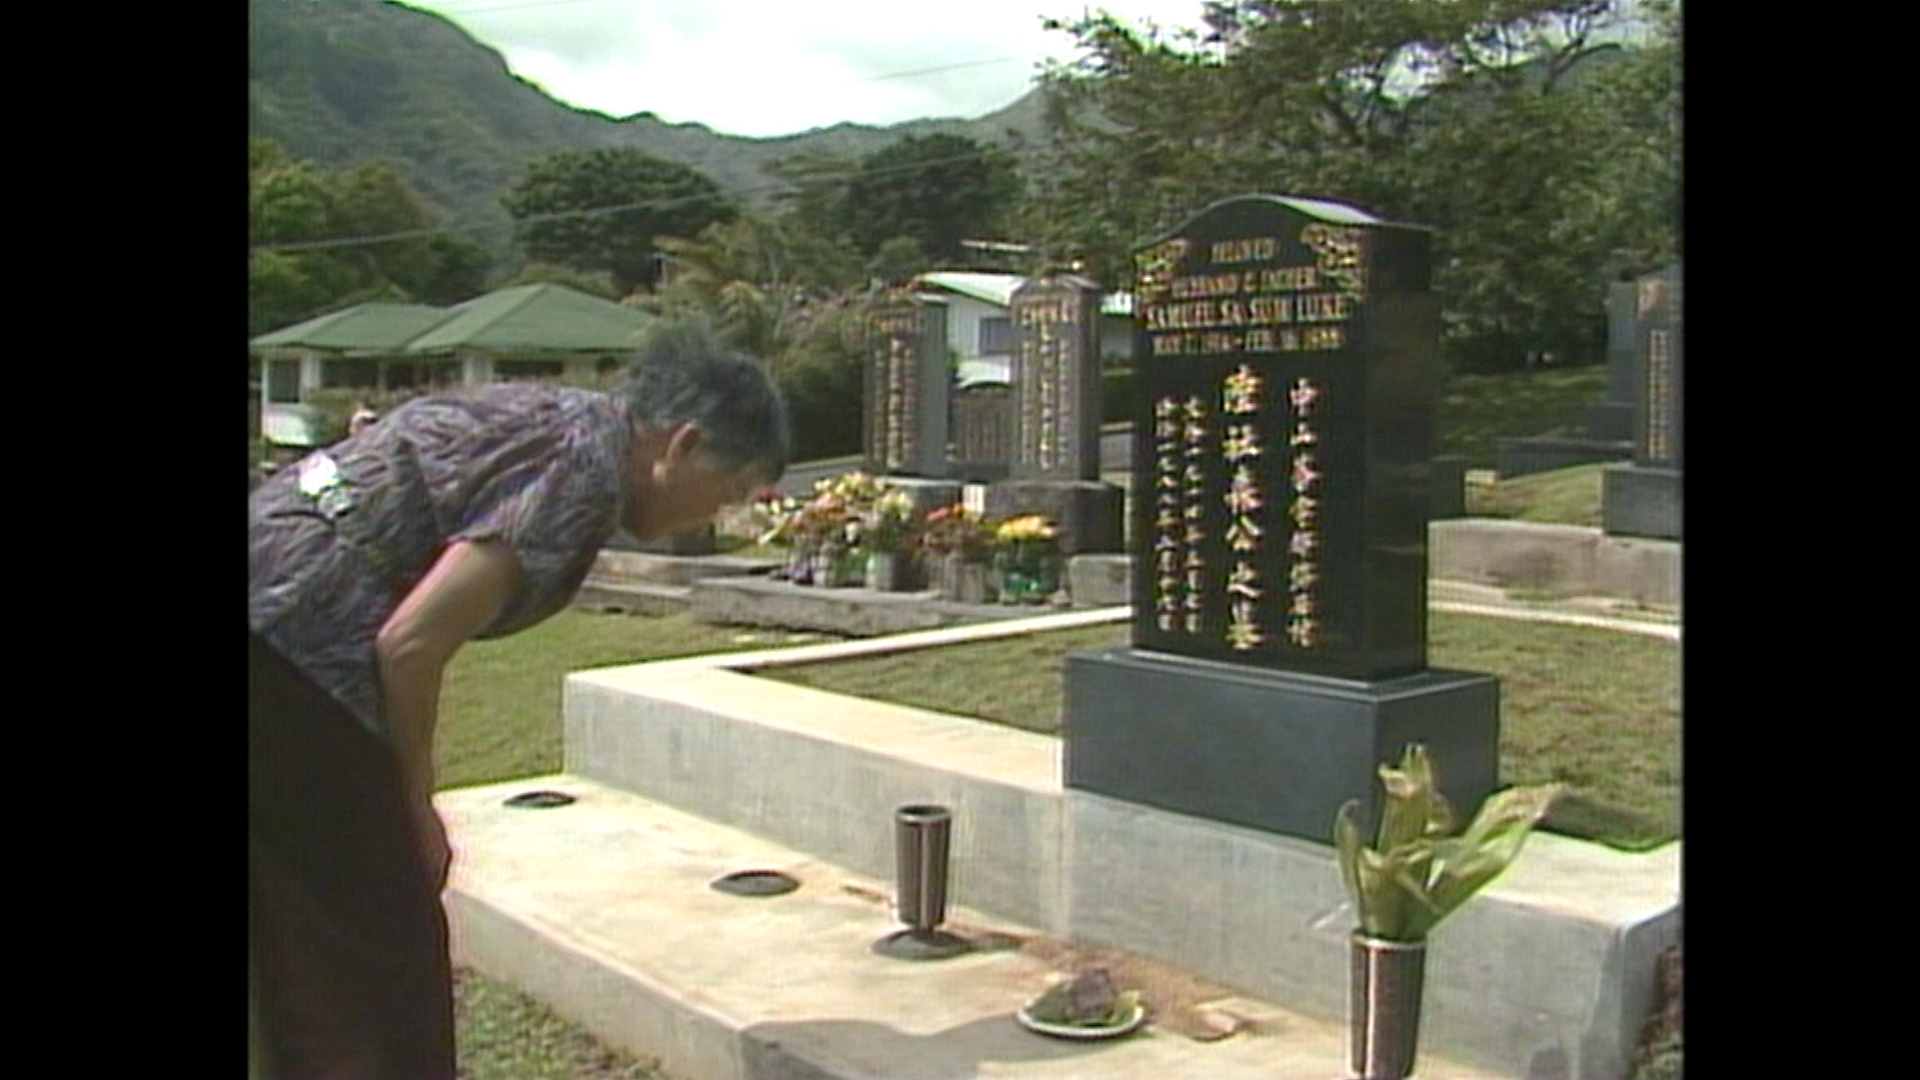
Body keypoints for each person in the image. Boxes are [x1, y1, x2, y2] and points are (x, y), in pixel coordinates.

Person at [248, 318, 790, 1080]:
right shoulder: (584, 471)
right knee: (382, 946)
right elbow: (409, 643)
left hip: (274, 611)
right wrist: (416, 809)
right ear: (682, 444)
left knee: (310, 938)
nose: (717, 519)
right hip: (290, 640)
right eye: (729, 492)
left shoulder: (560, 417)